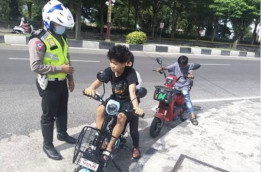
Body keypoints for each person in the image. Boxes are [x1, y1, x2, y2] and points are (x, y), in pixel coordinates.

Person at [28, 0, 77, 160]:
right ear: (49, 21)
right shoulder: (38, 40)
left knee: (62, 110)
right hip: (48, 83)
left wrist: (70, 78)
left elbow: (66, 58)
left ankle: (62, 134)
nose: (61, 27)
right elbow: (35, 66)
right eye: (58, 24)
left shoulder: (61, 37)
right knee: (49, 115)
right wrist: (60, 69)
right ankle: (47, 145)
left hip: (62, 82)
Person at [84, 45, 144, 161]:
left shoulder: (130, 73)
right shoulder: (109, 70)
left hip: (128, 102)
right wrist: (91, 88)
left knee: (123, 120)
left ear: (124, 63)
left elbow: (132, 91)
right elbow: (98, 81)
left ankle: (111, 146)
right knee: (100, 109)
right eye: (111, 62)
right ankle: (101, 138)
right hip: (114, 99)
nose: (112, 65)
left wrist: (136, 107)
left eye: (115, 63)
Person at [156, 55, 199, 125]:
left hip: (184, 85)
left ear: (186, 64)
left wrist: (190, 75)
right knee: (164, 93)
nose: (181, 67)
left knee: (187, 98)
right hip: (175, 84)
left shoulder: (189, 66)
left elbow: (190, 72)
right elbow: (167, 68)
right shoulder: (176, 64)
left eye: (183, 65)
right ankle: (162, 109)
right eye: (180, 65)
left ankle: (192, 116)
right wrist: (161, 68)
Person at [125, 52, 142, 159]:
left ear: (129, 63)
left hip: (132, 104)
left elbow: (135, 92)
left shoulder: (135, 75)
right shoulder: (117, 71)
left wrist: (135, 107)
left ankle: (136, 147)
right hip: (119, 103)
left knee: (133, 129)